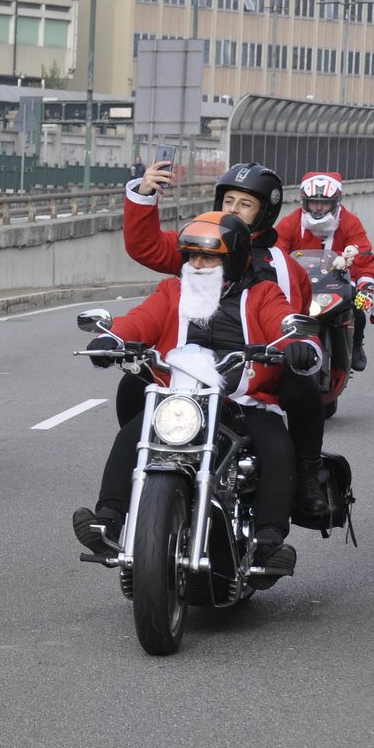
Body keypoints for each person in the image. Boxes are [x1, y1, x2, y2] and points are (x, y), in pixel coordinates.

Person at [74, 212, 321, 581]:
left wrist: (300, 343)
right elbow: (142, 319)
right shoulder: (173, 291)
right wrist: (113, 338)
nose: (197, 264)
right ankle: (108, 521)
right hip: (183, 400)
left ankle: (269, 542)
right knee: (134, 434)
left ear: (234, 259)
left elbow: (285, 323)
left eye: (208, 257)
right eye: (191, 256)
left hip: (242, 402)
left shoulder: (263, 293)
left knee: (277, 446)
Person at [125, 160, 328, 515]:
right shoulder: (201, 244)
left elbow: (288, 317)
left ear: (265, 213)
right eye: (228, 200)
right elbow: (147, 248)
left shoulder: (284, 266)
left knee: (302, 386)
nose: (233, 209)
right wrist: (145, 195)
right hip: (192, 373)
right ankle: (151, 459)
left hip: (258, 369)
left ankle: (306, 475)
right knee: (133, 383)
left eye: (245, 204)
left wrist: (292, 349)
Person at [274, 172, 374, 373]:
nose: (318, 208)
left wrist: (365, 286)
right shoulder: (290, 222)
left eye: (324, 203)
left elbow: (364, 255)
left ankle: (357, 344)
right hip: (300, 282)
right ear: (304, 202)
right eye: (313, 203)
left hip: (339, 282)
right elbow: (275, 252)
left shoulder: (350, 222)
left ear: (336, 203)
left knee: (358, 309)